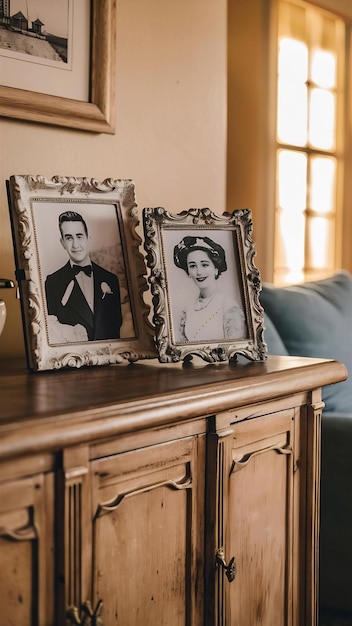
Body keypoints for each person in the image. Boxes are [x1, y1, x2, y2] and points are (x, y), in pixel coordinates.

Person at [45, 211, 122, 342]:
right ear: (62, 242)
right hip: (73, 359)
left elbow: (116, 324)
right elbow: (53, 331)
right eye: (69, 238)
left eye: (79, 236)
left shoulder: (111, 279)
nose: (75, 245)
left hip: (112, 357)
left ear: (88, 239)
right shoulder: (52, 283)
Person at [173, 235, 247, 342]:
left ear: (216, 268)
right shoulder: (187, 310)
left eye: (204, 265)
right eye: (193, 266)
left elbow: (235, 349)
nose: (199, 272)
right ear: (188, 272)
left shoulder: (229, 307)